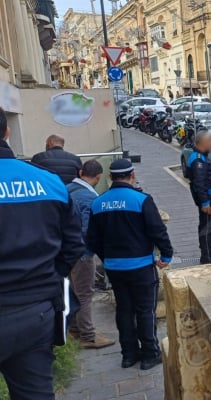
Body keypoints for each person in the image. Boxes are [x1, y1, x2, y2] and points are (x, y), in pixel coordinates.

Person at [0, 107, 85, 399]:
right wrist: (50, 274)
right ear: (7, 132)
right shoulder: (48, 182)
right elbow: (74, 244)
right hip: (37, 312)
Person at [86, 159, 173, 370]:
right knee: (145, 310)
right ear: (132, 175)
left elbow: (92, 239)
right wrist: (167, 255)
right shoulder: (141, 200)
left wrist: (107, 258)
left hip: (115, 269)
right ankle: (150, 355)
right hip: (141, 266)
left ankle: (128, 355)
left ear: (111, 177)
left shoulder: (98, 203)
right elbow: (157, 230)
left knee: (124, 310)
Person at [66, 160, 116, 349]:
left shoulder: (66, 189)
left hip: (65, 252)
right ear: (98, 177)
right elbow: (88, 230)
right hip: (82, 253)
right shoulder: (89, 197)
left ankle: (74, 329)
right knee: (85, 294)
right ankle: (88, 335)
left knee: (72, 291)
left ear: (81, 172)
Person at [187, 131, 211, 267]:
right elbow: (199, 183)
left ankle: (208, 253)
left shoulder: (201, 156)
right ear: (204, 143)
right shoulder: (198, 160)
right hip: (207, 199)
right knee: (207, 227)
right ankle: (207, 257)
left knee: (208, 226)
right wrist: (205, 202)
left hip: (209, 197)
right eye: (210, 141)